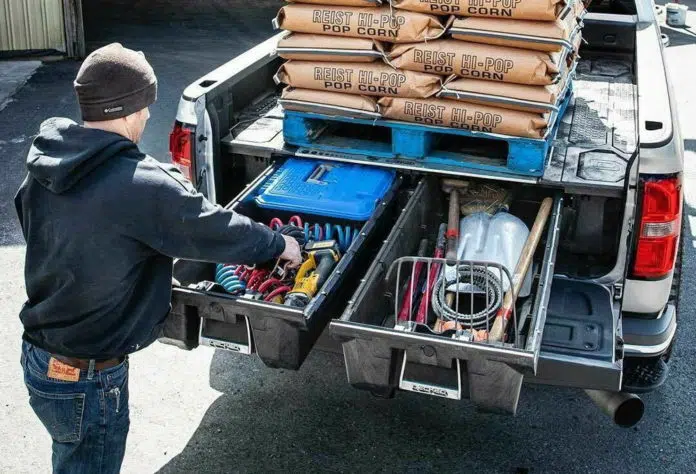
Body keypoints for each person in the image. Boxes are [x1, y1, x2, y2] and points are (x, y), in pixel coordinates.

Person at [14, 43, 302, 474]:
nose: (148, 116)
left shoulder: (46, 165)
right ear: (130, 110)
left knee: (70, 456)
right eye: (145, 107)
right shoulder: (140, 184)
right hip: (88, 378)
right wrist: (279, 246)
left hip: (40, 359)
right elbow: (212, 228)